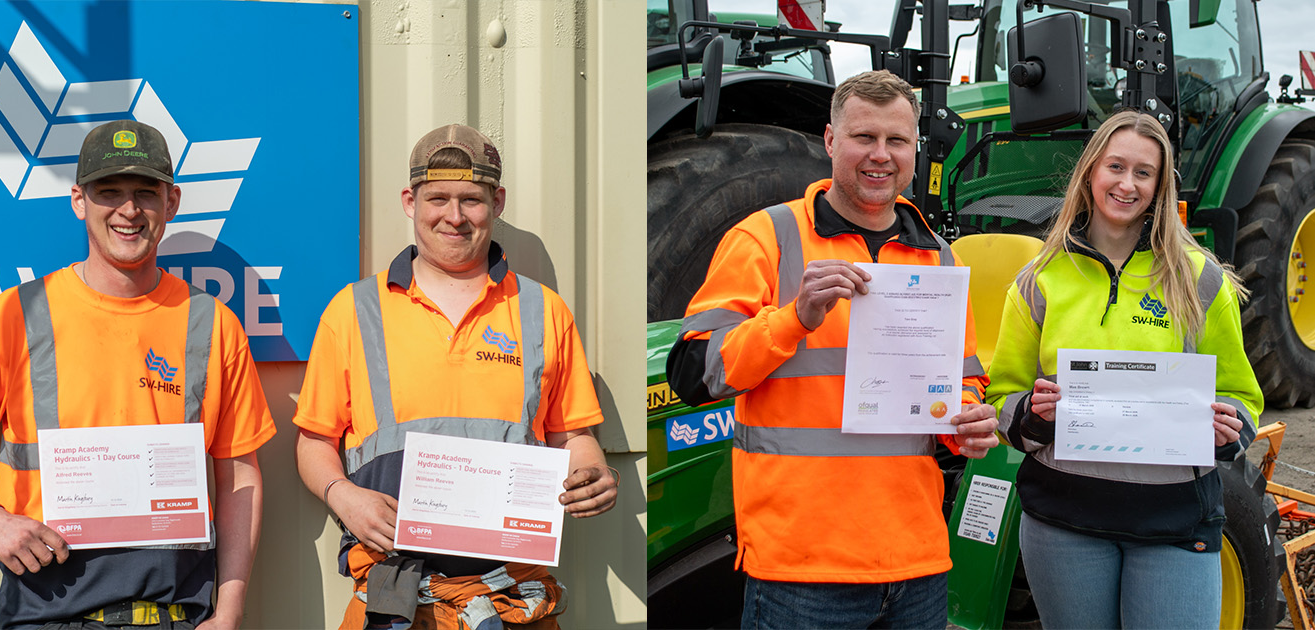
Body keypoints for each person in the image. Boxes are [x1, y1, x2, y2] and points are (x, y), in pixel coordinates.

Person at [666, 70, 1001, 629]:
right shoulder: (765, 238)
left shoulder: (941, 260)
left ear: (914, 149)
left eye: (897, 141)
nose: (881, 155)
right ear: (829, 141)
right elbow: (694, 375)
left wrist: (966, 422)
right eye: (863, 138)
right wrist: (793, 318)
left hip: (916, 560)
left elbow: (959, 380)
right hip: (800, 571)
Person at [0, 120, 277, 630]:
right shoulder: (17, 315)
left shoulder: (213, 324)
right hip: (47, 609)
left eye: (145, 193)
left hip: (176, 613)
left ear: (171, 202)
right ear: (79, 200)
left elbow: (239, 472)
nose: (129, 210)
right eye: (109, 192)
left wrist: (231, 609)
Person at [293, 123, 618, 630]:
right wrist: (344, 497)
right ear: (409, 200)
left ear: (498, 201)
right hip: (393, 595)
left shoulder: (542, 310)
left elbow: (573, 434)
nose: (454, 216)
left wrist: (592, 474)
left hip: (513, 594)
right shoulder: (354, 311)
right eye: (437, 198)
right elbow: (313, 441)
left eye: (472, 199)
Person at [985, 109, 1262, 628]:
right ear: (1091, 172)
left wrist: (1228, 430)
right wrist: (1033, 414)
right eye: (1116, 166)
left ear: (1160, 187)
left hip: (1175, 519)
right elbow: (1003, 399)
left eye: (1143, 172)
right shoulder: (1039, 280)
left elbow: (1242, 396)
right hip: (1064, 522)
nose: (1126, 184)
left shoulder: (1199, 280)